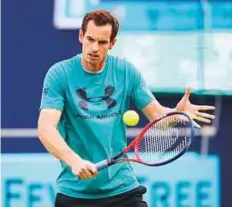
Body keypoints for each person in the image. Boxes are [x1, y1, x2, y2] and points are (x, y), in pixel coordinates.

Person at [38, 10, 215, 207]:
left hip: (122, 190)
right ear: (81, 36)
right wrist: (74, 161)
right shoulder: (59, 74)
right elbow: (46, 129)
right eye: (90, 39)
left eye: (102, 42)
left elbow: (158, 117)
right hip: (74, 193)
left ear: (112, 43)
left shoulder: (126, 72)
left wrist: (177, 114)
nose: (94, 47)